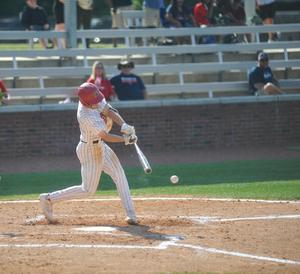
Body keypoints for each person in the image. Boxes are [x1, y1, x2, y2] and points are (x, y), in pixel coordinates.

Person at [39, 82, 139, 225]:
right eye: (94, 101)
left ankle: (131, 214)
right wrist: (125, 139)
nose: (97, 102)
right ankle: (48, 199)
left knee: (119, 175)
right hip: (90, 151)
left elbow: (108, 109)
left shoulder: (94, 96)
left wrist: (124, 125)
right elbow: (105, 136)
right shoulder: (85, 115)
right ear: (85, 101)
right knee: (88, 190)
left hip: (101, 147)